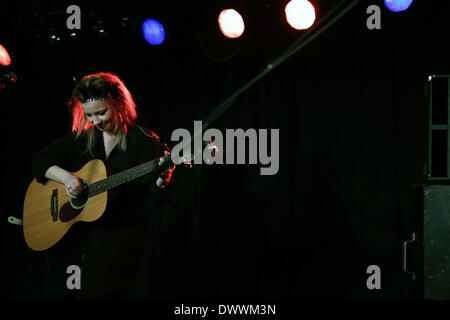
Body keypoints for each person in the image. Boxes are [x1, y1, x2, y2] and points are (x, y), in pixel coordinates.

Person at [30, 71, 175, 299]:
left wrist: (161, 181)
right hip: (75, 240)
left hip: (118, 243)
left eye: (101, 113)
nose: (96, 121)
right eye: (89, 115)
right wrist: (67, 178)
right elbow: (40, 161)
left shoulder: (146, 143)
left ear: (119, 103)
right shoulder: (85, 136)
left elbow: (150, 201)